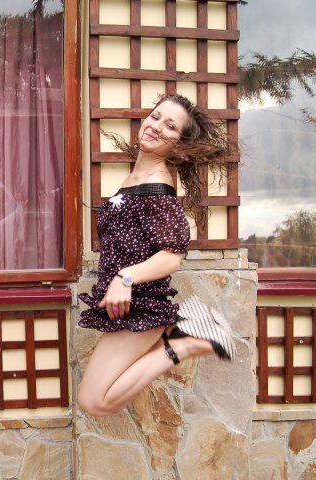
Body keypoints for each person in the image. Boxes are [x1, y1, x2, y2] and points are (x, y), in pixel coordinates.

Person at [78, 94, 237, 417]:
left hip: (140, 306)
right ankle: (177, 338)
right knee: (102, 401)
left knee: (94, 402)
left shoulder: (157, 188)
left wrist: (125, 279)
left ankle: (185, 342)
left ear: (179, 148)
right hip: (128, 308)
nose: (157, 126)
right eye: (155, 117)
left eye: (170, 126)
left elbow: (171, 257)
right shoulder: (136, 180)